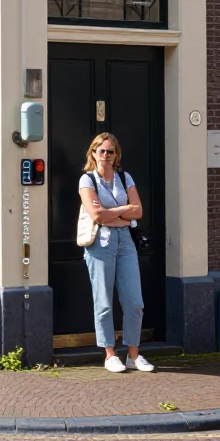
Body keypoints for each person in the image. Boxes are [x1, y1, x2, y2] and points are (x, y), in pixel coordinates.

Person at [77, 132, 153, 374]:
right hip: (101, 242)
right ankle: (110, 354)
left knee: (134, 302)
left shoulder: (124, 177)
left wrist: (113, 211)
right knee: (104, 303)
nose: (106, 155)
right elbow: (96, 215)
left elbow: (138, 211)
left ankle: (133, 355)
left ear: (116, 155)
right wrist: (123, 210)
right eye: (101, 151)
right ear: (93, 153)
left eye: (110, 151)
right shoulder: (87, 180)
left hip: (126, 243)